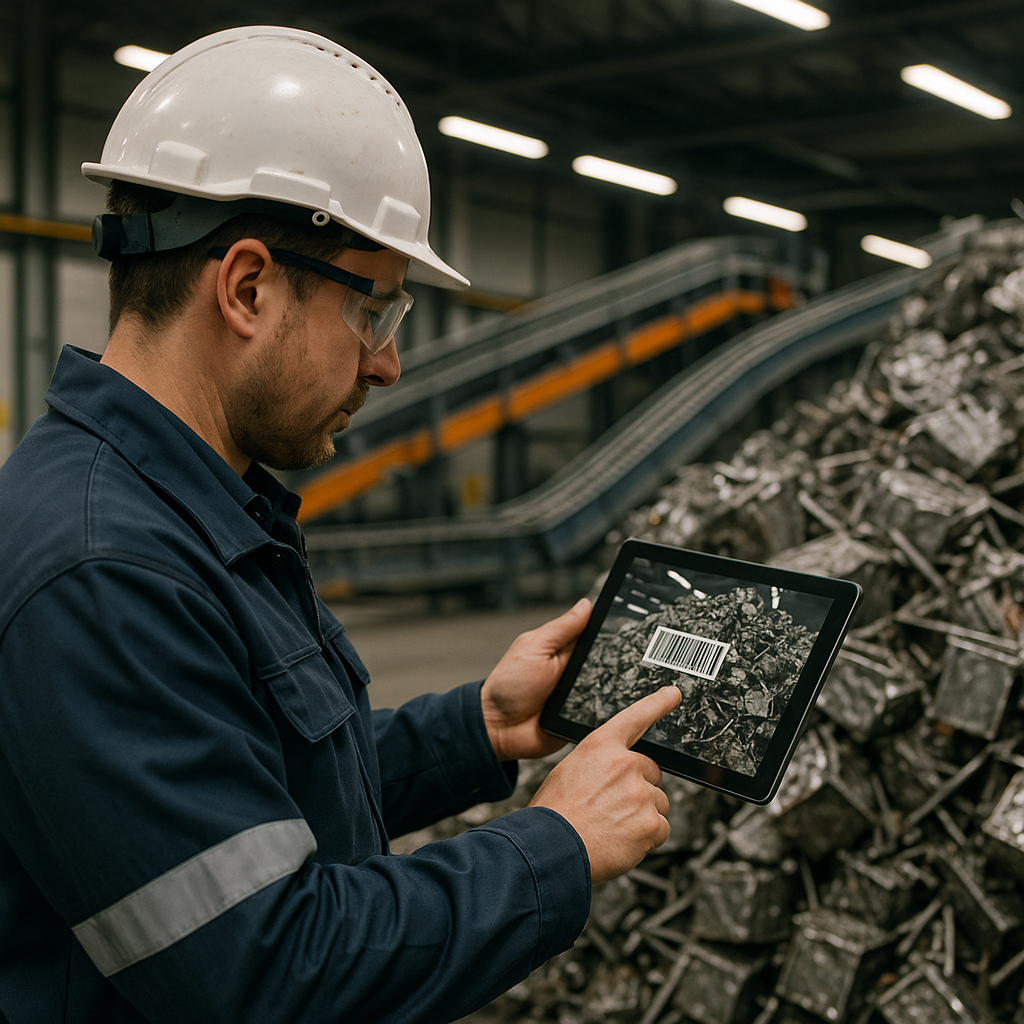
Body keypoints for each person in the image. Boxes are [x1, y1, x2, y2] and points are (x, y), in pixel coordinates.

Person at [0, 26, 681, 1024]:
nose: (387, 365)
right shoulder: (104, 568)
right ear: (246, 288)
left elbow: (258, 785)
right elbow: (270, 969)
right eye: (377, 313)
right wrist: (557, 842)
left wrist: (479, 729)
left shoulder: (191, 509)